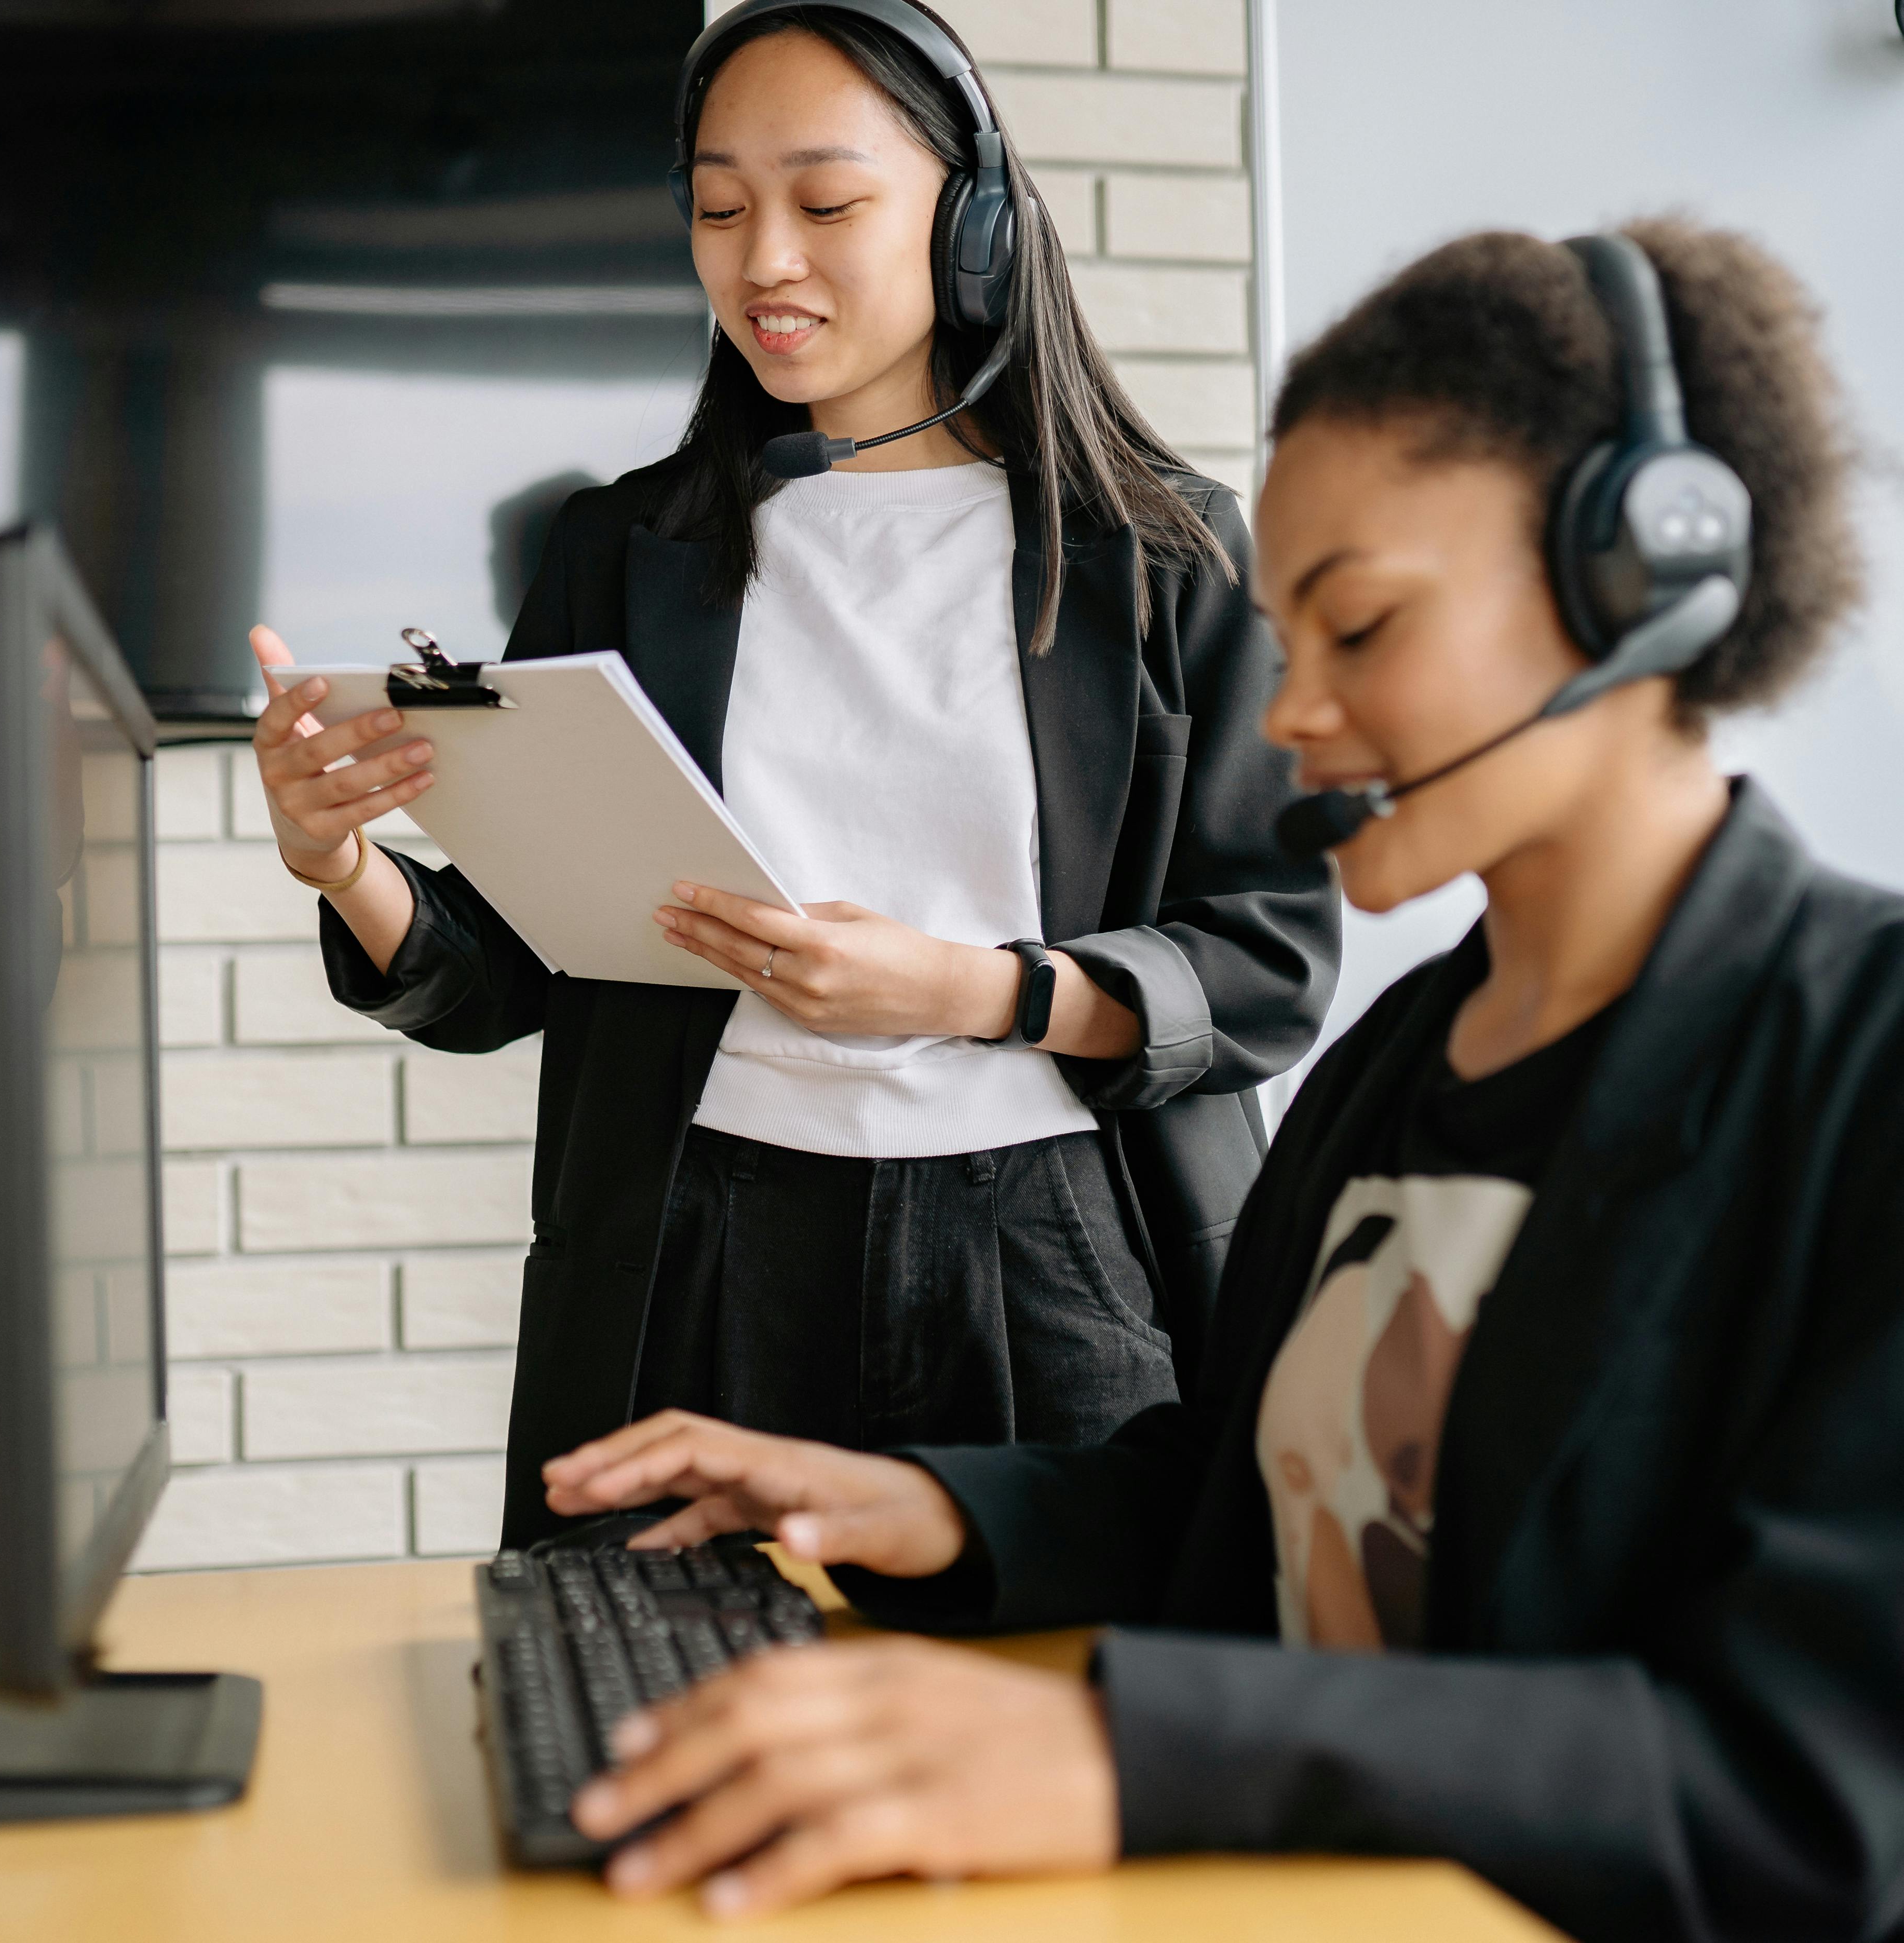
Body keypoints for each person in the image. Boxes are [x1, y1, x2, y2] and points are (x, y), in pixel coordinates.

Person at [533, 218, 1904, 1942]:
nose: (1290, 718)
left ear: (1637, 579)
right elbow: (1239, 1492)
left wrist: (1135, 1754)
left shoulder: (1863, 1074)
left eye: (1363, 629)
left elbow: (1816, 1787)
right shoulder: (1400, 1071)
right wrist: (926, 1504)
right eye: (1287, 639)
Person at [244, 0, 1338, 1548]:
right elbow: (504, 973)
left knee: (1058, 1729)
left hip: (1051, 1255)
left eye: (826, 204)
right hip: (700, 1248)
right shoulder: (622, 553)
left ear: (972, 224)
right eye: (716, 207)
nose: (763, 261)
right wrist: (343, 865)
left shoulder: (1163, 558)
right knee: (648, 1711)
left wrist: (970, 991)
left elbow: (1268, 962)